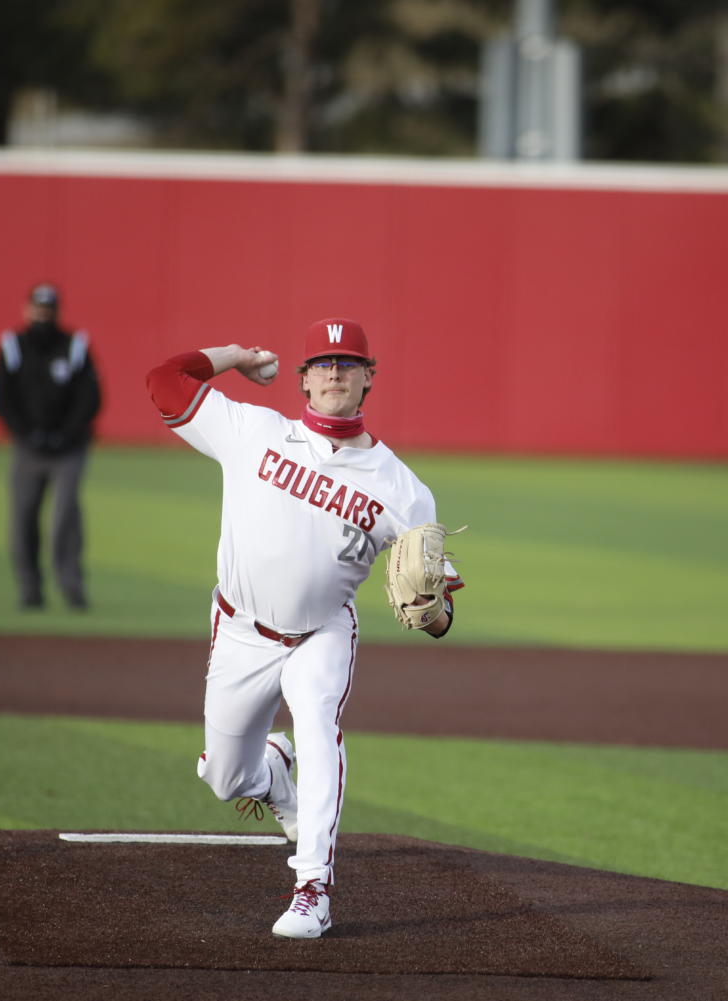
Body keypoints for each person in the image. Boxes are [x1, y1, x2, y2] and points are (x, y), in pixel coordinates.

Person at [144, 317, 463, 940]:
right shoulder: (254, 431)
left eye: (348, 363)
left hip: (322, 633)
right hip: (240, 631)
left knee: (318, 724)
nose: (335, 372)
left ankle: (312, 886)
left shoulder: (404, 491)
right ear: (304, 380)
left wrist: (436, 616)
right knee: (224, 777)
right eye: (322, 363)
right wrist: (235, 356)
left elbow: (440, 606)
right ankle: (273, 777)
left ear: (370, 378)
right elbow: (163, 380)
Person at [0, 282, 101, 611]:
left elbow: (90, 399)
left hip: (68, 448)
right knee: (23, 516)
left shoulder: (75, 346)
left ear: (57, 311)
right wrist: (26, 433)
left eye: (48, 310)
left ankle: (71, 586)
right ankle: (29, 588)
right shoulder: (13, 346)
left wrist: (65, 434)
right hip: (28, 447)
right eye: (38, 309)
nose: (42, 315)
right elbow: (1, 398)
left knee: (65, 515)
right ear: (27, 310)